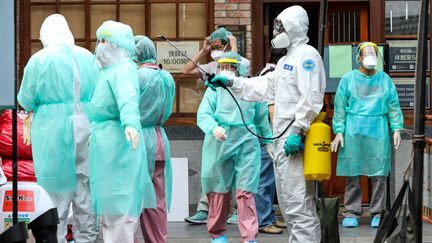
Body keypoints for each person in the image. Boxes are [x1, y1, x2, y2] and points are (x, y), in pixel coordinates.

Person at [206, 5, 326, 242]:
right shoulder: (284, 62)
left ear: (293, 27)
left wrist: (299, 130)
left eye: (280, 27)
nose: (276, 32)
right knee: (289, 204)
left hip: (295, 141)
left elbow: (311, 97)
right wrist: (231, 82)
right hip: (283, 141)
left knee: (299, 204)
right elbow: (262, 87)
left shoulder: (307, 55)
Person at [17, 14, 99, 243]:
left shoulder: (39, 60)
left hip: (52, 131)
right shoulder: (88, 57)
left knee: (55, 194)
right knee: (86, 190)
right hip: (88, 126)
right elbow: (100, 92)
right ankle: (87, 239)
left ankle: (56, 239)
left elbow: (26, 99)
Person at [88, 20, 156, 243]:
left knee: (121, 214)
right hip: (106, 148)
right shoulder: (106, 72)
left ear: (118, 45)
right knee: (110, 213)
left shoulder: (123, 70)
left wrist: (130, 124)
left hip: (119, 148)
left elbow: (128, 100)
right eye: (99, 40)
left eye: (105, 41)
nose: (100, 46)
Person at [198, 51, 272, 243]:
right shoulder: (214, 89)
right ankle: (217, 233)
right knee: (218, 191)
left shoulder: (249, 89)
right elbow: (204, 114)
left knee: (245, 192)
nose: (225, 70)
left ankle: (249, 236)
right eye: (221, 66)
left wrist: (269, 142)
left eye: (230, 66)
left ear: (239, 68)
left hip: (247, 143)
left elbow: (262, 119)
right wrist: (213, 128)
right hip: (219, 143)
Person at [330, 42, 404, 228]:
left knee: (379, 173)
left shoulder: (385, 79)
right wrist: (338, 131)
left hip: (378, 129)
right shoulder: (348, 79)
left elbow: (393, 105)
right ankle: (351, 212)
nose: (370, 59)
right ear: (359, 58)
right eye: (366, 55)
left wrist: (396, 128)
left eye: (373, 55)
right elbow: (339, 107)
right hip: (354, 129)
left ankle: (378, 212)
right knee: (352, 172)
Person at [183, 27, 240, 225]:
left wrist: (233, 47)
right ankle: (204, 209)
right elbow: (186, 69)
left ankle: (235, 210)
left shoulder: (238, 64)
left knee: (234, 169)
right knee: (209, 169)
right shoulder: (211, 66)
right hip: (213, 125)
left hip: (236, 126)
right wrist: (204, 50)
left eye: (219, 46)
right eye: (214, 46)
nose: (217, 50)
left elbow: (242, 67)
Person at [132, 35, 175, 243]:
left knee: (132, 198)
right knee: (157, 200)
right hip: (159, 140)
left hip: (137, 140)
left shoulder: (136, 76)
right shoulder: (167, 77)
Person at [254, 47, 288, 235]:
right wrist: (276, 136)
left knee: (270, 177)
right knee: (264, 177)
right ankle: (263, 220)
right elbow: (271, 108)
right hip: (267, 133)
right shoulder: (271, 75)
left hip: (268, 132)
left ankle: (270, 216)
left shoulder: (266, 72)